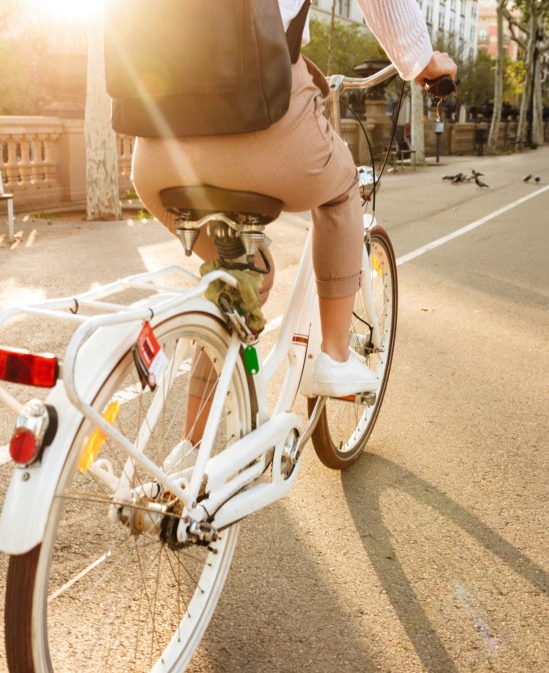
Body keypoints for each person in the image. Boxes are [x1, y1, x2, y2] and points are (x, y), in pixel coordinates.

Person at [131, 0, 456, 398]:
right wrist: (424, 61)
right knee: (341, 189)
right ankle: (335, 356)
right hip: (264, 123)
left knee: (242, 280)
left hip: (154, 160)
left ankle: (196, 450)